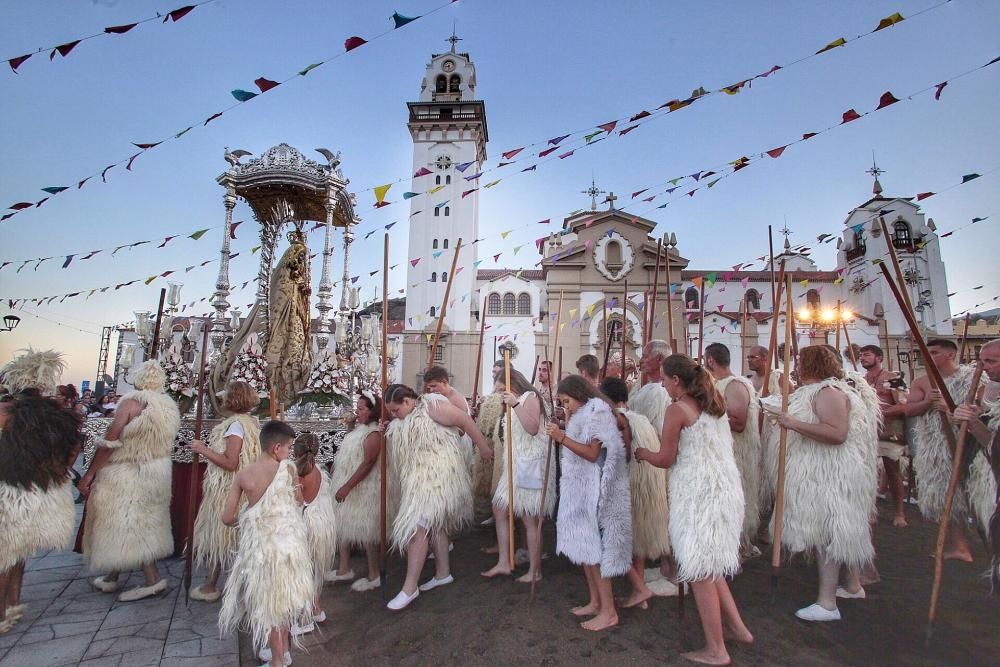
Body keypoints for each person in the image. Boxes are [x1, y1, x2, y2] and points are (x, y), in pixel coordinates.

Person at [635, 354, 750, 663]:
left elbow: (665, 458)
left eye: (663, 379)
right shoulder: (715, 405)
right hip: (725, 490)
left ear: (676, 381)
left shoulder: (677, 410)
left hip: (698, 494)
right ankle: (738, 628)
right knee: (711, 564)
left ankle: (716, 649)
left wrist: (643, 452)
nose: (661, 384)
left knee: (699, 570)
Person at [762, 345, 880, 621]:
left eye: (801, 362)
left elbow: (837, 433)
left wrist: (791, 423)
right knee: (840, 531)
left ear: (812, 365)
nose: (797, 367)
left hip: (831, 475)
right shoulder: (823, 391)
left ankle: (827, 603)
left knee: (828, 535)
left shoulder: (829, 393)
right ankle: (852, 585)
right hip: (825, 473)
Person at [382, 384, 492, 611]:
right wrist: (392, 426)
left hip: (439, 478)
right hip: (418, 480)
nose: (394, 415)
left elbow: (465, 421)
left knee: (418, 527)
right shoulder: (403, 421)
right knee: (437, 526)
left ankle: (409, 587)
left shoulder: (433, 406)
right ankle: (443, 574)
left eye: (395, 410)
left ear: (407, 401)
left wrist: (483, 447)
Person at [80, 360, 179, 601]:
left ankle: (152, 578)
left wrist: (91, 472)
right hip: (157, 469)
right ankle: (113, 575)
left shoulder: (132, 403)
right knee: (142, 520)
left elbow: (111, 441)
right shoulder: (168, 406)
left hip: (128, 470)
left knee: (128, 522)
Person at [219, 420, 313, 667]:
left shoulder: (244, 475)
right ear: (277, 448)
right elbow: (300, 502)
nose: (290, 453)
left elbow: (227, 517)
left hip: (262, 549)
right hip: (289, 546)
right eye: (289, 448)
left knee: (269, 604)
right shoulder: (289, 470)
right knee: (283, 602)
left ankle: (278, 660)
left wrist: (252, 519)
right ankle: (281, 654)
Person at [0, 350, 79, 634]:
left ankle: (1, 614)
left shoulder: (6, 413)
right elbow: (74, 446)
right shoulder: (59, 416)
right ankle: (13, 602)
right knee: (18, 552)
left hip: (11, 491)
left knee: (5, 554)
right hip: (41, 492)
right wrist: (61, 471)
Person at [544, 375, 631, 632]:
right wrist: (564, 427)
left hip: (595, 491)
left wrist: (561, 437)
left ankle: (609, 611)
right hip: (580, 491)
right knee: (585, 550)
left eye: (567, 400)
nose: (566, 406)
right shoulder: (582, 413)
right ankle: (595, 602)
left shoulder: (598, 412)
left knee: (596, 553)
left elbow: (593, 454)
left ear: (578, 394)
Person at [904, 338, 989, 561]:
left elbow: (982, 408)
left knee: (975, 493)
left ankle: (985, 540)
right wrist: (928, 403)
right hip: (935, 445)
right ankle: (959, 545)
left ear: (950, 354)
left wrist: (952, 409)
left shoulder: (973, 378)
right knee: (945, 494)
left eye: (933, 352)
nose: (927, 357)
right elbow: (909, 410)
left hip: (969, 443)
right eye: (926, 352)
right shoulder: (922, 382)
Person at [190, 381, 262, 601]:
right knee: (224, 538)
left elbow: (231, 462)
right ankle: (218, 584)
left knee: (223, 535)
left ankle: (215, 585)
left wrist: (203, 450)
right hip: (236, 487)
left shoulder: (236, 426)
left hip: (229, 489)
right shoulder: (248, 423)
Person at [601, 376, 669, 610]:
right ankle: (639, 596)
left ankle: (636, 590)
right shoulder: (643, 420)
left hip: (628, 483)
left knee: (615, 539)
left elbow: (619, 455)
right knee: (639, 538)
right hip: (646, 486)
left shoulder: (616, 421)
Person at [482, 369, 555, 583]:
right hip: (515, 464)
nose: (500, 394)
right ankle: (504, 561)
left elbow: (532, 428)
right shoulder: (517, 399)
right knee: (499, 507)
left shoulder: (530, 397)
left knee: (530, 518)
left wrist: (514, 404)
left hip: (530, 464)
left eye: (502, 390)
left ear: (513, 384)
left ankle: (535, 570)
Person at [628, 339, 677, 595]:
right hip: (645, 459)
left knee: (666, 514)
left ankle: (672, 572)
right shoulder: (647, 388)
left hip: (657, 460)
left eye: (646, 355)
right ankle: (663, 566)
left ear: (659, 360)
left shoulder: (660, 393)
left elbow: (658, 431)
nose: (641, 359)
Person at [705, 343, 762, 556]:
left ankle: (739, 548)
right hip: (722, 454)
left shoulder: (735, 385)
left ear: (710, 360)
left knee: (736, 502)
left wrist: (703, 415)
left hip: (737, 454)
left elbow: (738, 422)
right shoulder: (718, 384)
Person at [328, 391, 383, 592]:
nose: (357, 412)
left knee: (366, 531)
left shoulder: (374, 434)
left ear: (372, 411)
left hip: (365, 488)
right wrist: (351, 426)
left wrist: (348, 486)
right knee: (343, 524)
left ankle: (374, 573)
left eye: (361, 409)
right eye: (357, 408)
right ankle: (344, 568)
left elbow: (368, 463)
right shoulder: (360, 429)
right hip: (348, 482)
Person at [858, 345, 908, 527]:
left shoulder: (893, 378)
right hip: (866, 432)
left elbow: (903, 405)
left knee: (892, 471)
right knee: (867, 472)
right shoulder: (861, 380)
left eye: (867, 355)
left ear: (878, 357)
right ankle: (870, 510)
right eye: (861, 355)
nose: (862, 358)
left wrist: (879, 414)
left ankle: (899, 512)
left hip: (889, 430)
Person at [293, 432, 336, 636]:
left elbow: (298, 501)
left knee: (303, 573)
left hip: (307, 526)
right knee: (313, 572)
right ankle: (316, 608)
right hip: (321, 525)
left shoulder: (298, 473)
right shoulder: (318, 469)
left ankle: (305, 619)